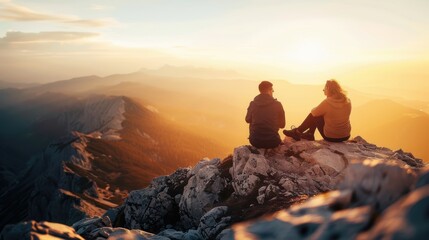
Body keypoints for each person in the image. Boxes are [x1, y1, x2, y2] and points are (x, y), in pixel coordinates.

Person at [283, 79, 351, 142]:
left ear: (328, 89)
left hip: (331, 137)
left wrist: (315, 109)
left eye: (324, 88)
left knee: (315, 115)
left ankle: (297, 132)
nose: (323, 90)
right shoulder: (347, 100)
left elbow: (314, 113)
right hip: (346, 136)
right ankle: (308, 133)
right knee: (319, 114)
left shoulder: (327, 102)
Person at [246, 81, 286, 148]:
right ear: (269, 90)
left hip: (255, 141)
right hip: (273, 142)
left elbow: (247, 119)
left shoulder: (253, 104)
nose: (273, 92)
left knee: (252, 120)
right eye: (272, 90)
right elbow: (282, 125)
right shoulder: (277, 104)